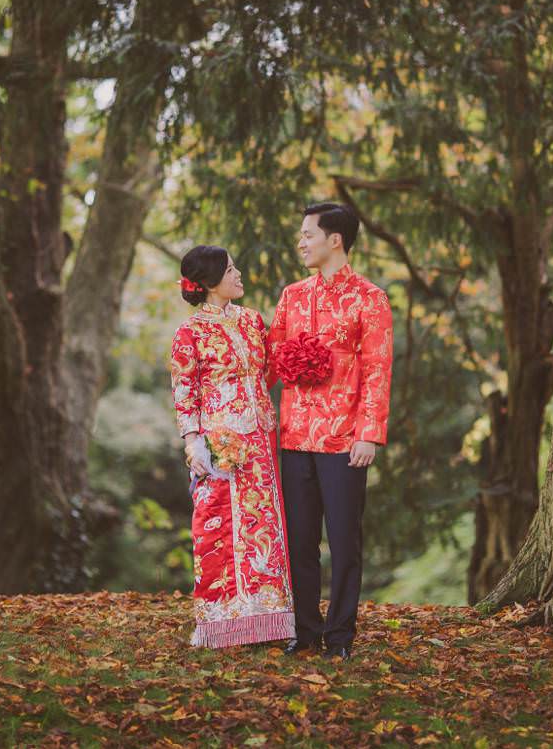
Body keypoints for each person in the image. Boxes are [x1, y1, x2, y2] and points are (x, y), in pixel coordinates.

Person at [267, 202, 393, 660]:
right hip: (294, 436)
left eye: (307, 234)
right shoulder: (292, 296)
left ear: (334, 239)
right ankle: (305, 629)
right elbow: (270, 361)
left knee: (344, 541)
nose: (301, 242)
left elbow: (378, 369)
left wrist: (369, 433)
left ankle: (340, 635)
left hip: (344, 440)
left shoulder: (370, 298)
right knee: (300, 540)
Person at [167, 245, 296, 648]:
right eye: (230, 269)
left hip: (259, 438)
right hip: (218, 442)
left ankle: (268, 618)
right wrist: (193, 443)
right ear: (208, 283)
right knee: (219, 526)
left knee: (264, 527)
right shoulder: (189, 333)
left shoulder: (253, 322)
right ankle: (222, 623)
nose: (239, 274)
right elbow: (184, 390)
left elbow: (272, 368)